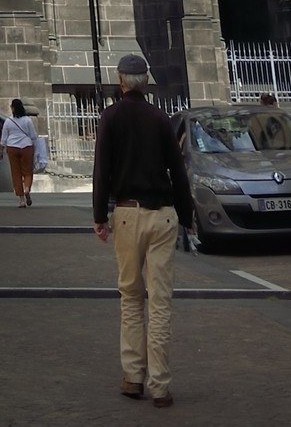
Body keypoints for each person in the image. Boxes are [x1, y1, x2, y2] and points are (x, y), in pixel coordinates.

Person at [91, 54, 193, 409]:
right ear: (145, 82)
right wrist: (188, 214)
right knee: (161, 301)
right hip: (163, 215)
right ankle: (160, 385)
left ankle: (133, 377)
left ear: (120, 81)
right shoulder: (160, 117)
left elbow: (101, 169)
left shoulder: (110, 117)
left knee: (132, 298)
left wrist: (99, 216)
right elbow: (178, 171)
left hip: (127, 214)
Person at [1, 98, 38, 207]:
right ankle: (27, 188)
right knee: (27, 171)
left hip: (12, 147)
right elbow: (33, 136)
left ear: (12, 108)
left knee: (16, 173)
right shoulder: (27, 120)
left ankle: (21, 200)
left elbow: (4, 138)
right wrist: (35, 149)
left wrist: (1, 149)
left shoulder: (8, 121)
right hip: (26, 146)